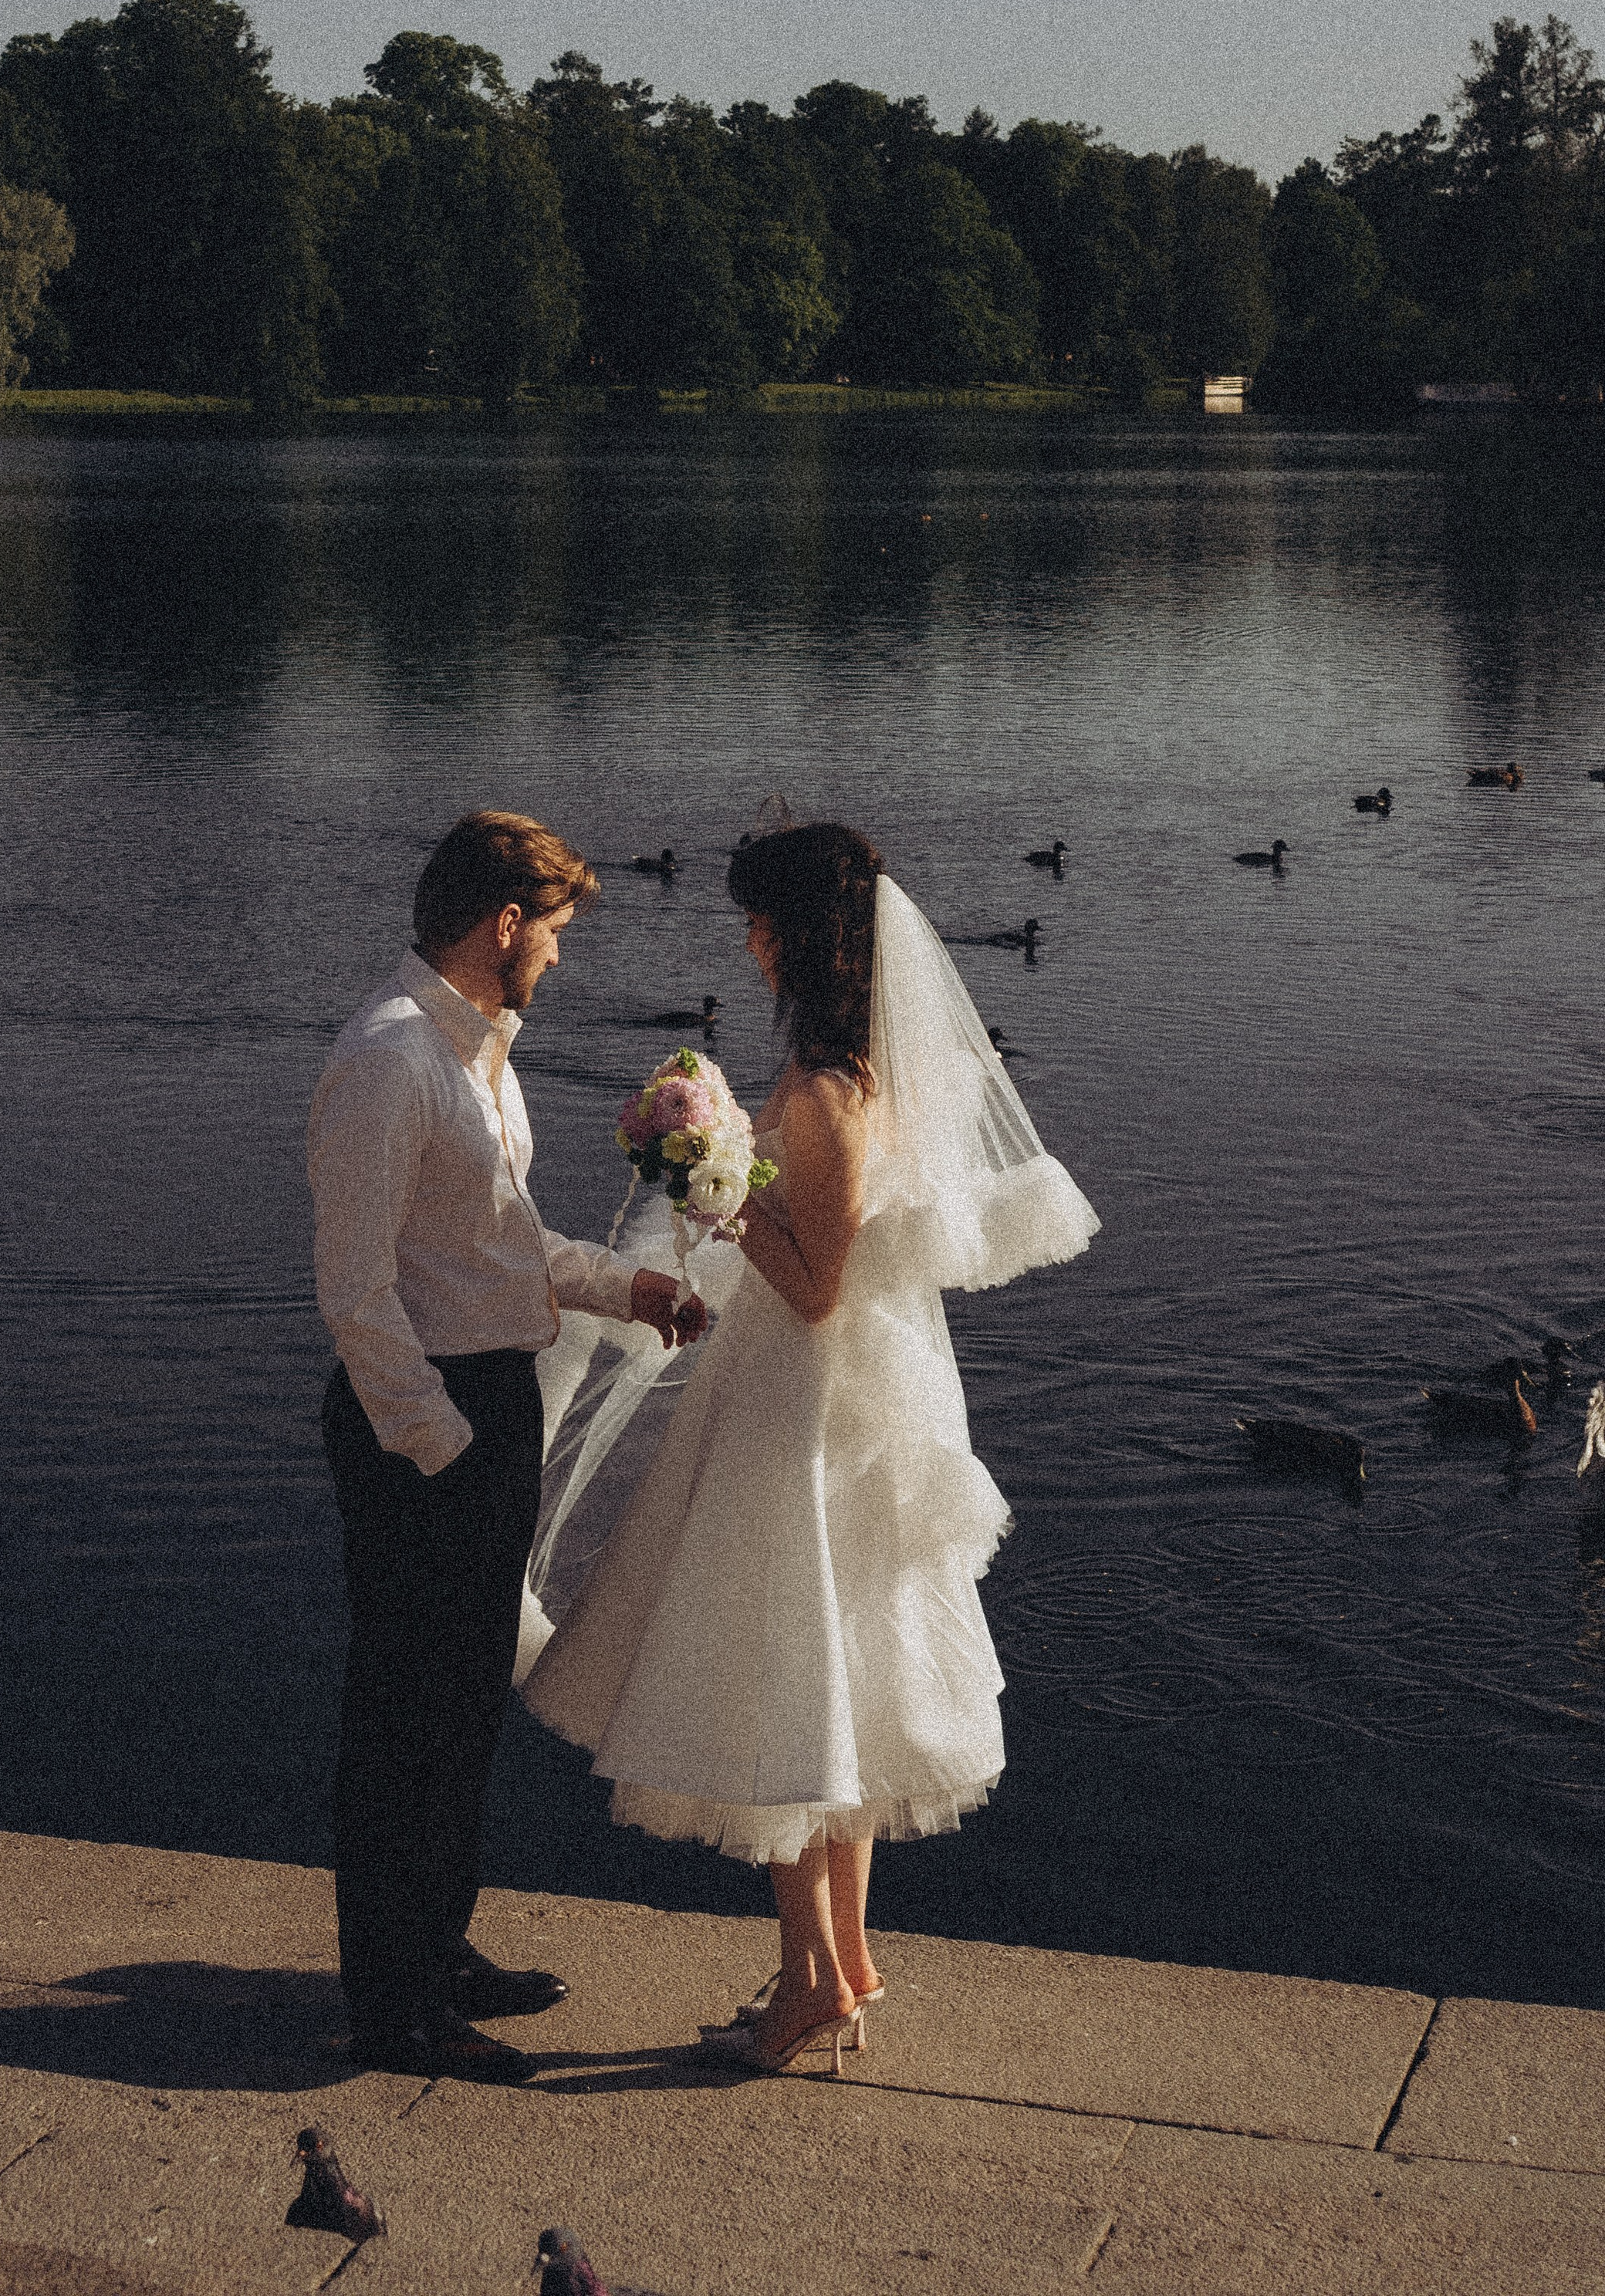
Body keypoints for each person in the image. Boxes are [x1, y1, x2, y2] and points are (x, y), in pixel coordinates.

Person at [522, 820, 1100, 2076]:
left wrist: (715, 1197)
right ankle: (845, 1966)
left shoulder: (823, 1096)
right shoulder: (866, 1077)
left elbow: (817, 1285)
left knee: (777, 1680)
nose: (747, 939)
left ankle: (807, 1978)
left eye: (760, 920)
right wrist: (732, 1172)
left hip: (806, 1410)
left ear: (805, 937)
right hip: (845, 1404)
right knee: (837, 1692)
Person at [308, 810, 692, 2084]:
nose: (563, 961)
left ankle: (440, 1947)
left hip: (485, 1403)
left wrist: (626, 1290)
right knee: (402, 1716)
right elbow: (356, 1293)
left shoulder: (480, 1056)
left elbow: (500, 1246)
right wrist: (442, 1445)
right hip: (422, 1422)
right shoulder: (387, 1061)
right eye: (559, 934)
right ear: (505, 925)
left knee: (465, 1701)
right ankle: (394, 2007)